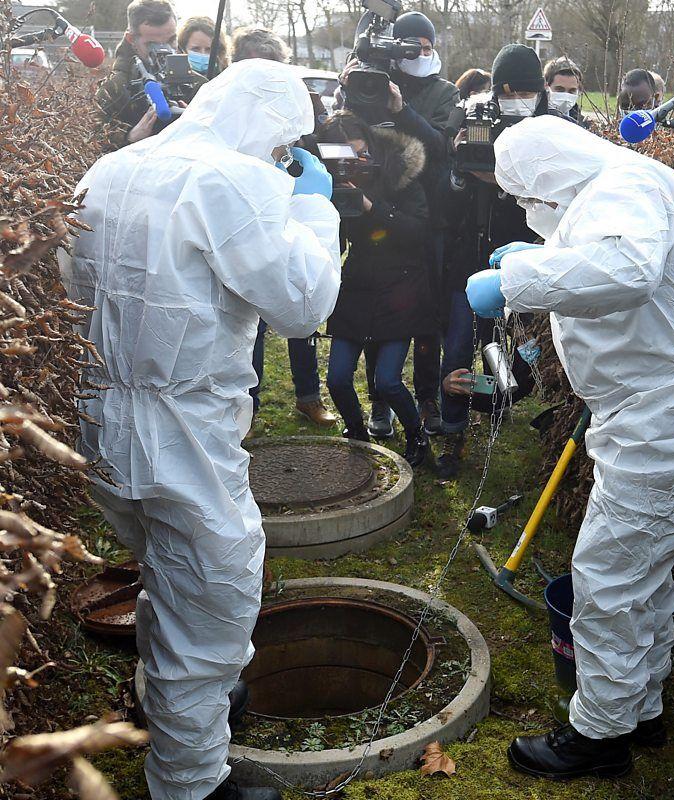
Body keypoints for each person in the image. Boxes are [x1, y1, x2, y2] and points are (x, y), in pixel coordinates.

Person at [61, 60, 341, 800]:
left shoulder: (113, 165)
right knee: (213, 599)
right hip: (180, 428)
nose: (283, 159)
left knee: (165, 570)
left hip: (95, 413)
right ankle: (190, 782)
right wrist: (312, 210)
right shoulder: (234, 182)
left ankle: (178, 705)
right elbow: (302, 305)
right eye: (285, 145)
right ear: (271, 128)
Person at [467, 115, 674, 779]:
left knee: (609, 575)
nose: (529, 208)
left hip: (669, 414)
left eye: (525, 195)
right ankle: (640, 707)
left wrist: (518, 281)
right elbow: (606, 265)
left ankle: (598, 737)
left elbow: (626, 270)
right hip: (663, 409)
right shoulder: (621, 186)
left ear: (546, 175)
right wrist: (534, 259)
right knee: (641, 570)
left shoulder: (620, 189)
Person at [341, 10, 459, 439]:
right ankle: (379, 400)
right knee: (379, 305)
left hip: (432, 215)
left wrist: (403, 109)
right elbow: (345, 133)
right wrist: (350, 91)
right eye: (412, 47)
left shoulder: (444, 92)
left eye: (426, 47)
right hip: (380, 210)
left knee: (426, 311)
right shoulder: (370, 81)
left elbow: (441, 146)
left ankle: (426, 396)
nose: (421, 54)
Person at [436, 43, 550, 479]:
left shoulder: (548, 131)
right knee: (459, 347)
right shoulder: (476, 122)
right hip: (472, 263)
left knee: (510, 359)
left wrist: (508, 179)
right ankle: (453, 434)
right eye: (509, 90)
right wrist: (461, 168)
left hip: (524, 264)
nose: (518, 98)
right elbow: (446, 204)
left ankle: (494, 402)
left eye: (527, 90)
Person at [232, 28, 337, 428]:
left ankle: (308, 395)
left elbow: (317, 139)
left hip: (290, 208)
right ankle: (248, 405)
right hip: (247, 222)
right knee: (248, 323)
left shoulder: (296, 101)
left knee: (301, 297)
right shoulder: (229, 110)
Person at [319, 111, 434, 466]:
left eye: (359, 154)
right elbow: (331, 241)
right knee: (337, 378)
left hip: (400, 287)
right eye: (342, 159)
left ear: (369, 146)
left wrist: (371, 207)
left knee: (387, 381)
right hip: (357, 285)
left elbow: (418, 234)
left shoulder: (401, 179)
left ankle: (418, 438)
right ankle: (357, 435)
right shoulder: (330, 183)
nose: (353, 164)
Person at [96, 0, 205, 149]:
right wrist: (129, 137)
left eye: (171, 40)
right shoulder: (114, 90)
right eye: (152, 44)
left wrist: (197, 123)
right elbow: (94, 148)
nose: (164, 51)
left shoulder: (200, 85)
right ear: (131, 40)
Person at [543, 56, 588, 126]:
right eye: (560, 89)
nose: (566, 95)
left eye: (572, 91)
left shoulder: (583, 125)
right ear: (546, 86)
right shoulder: (533, 119)